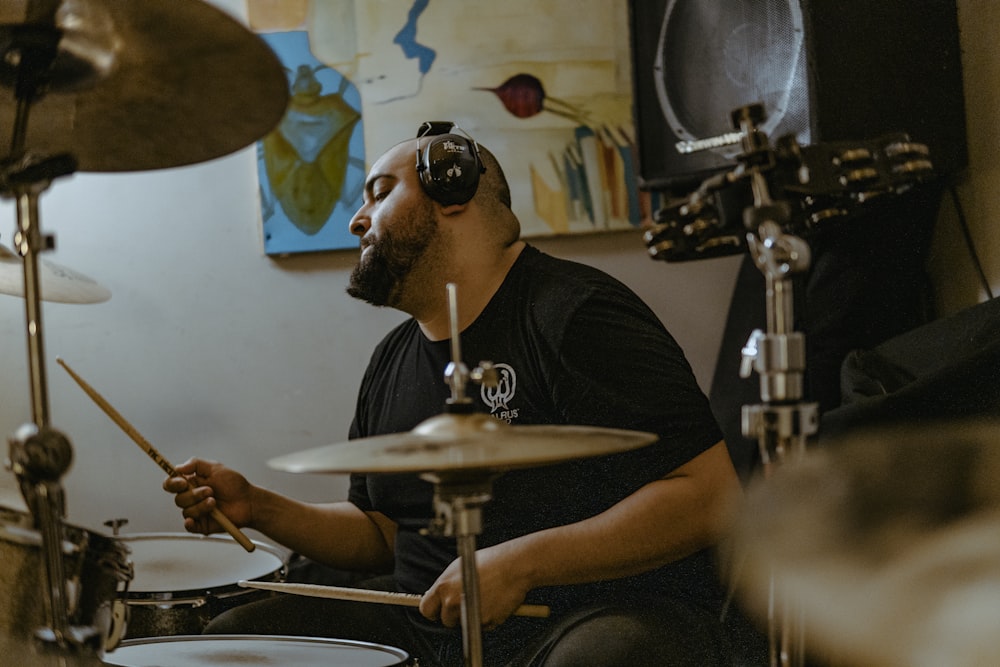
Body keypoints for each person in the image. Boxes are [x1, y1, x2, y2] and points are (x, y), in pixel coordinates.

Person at [163, 123, 763, 666]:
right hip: (427, 616)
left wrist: (519, 563)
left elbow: (706, 498)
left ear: (453, 190)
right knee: (245, 636)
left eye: (378, 192)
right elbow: (383, 534)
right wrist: (259, 507)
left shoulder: (573, 312)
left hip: (580, 616)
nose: (356, 218)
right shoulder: (391, 359)